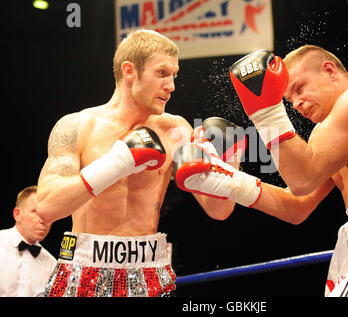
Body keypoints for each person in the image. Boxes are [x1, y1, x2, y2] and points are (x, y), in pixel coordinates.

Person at [176, 45, 348, 296]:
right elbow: (296, 206)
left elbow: (303, 179)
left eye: (299, 88)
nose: (295, 103)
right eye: (287, 98)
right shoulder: (327, 133)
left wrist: (265, 112)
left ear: (329, 70)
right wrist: (223, 179)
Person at [36, 29, 241, 297]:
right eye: (162, 73)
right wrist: (117, 162)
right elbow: (47, 207)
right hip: (84, 271)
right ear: (129, 71)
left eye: (174, 75)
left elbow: (218, 210)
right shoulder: (77, 126)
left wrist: (231, 162)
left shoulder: (176, 130)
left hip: (149, 273)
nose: (172, 85)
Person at [0, 186, 56, 297]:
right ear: (17, 214)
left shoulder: (51, 264)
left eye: (48, 215)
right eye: (35, 212)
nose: (43, 220)